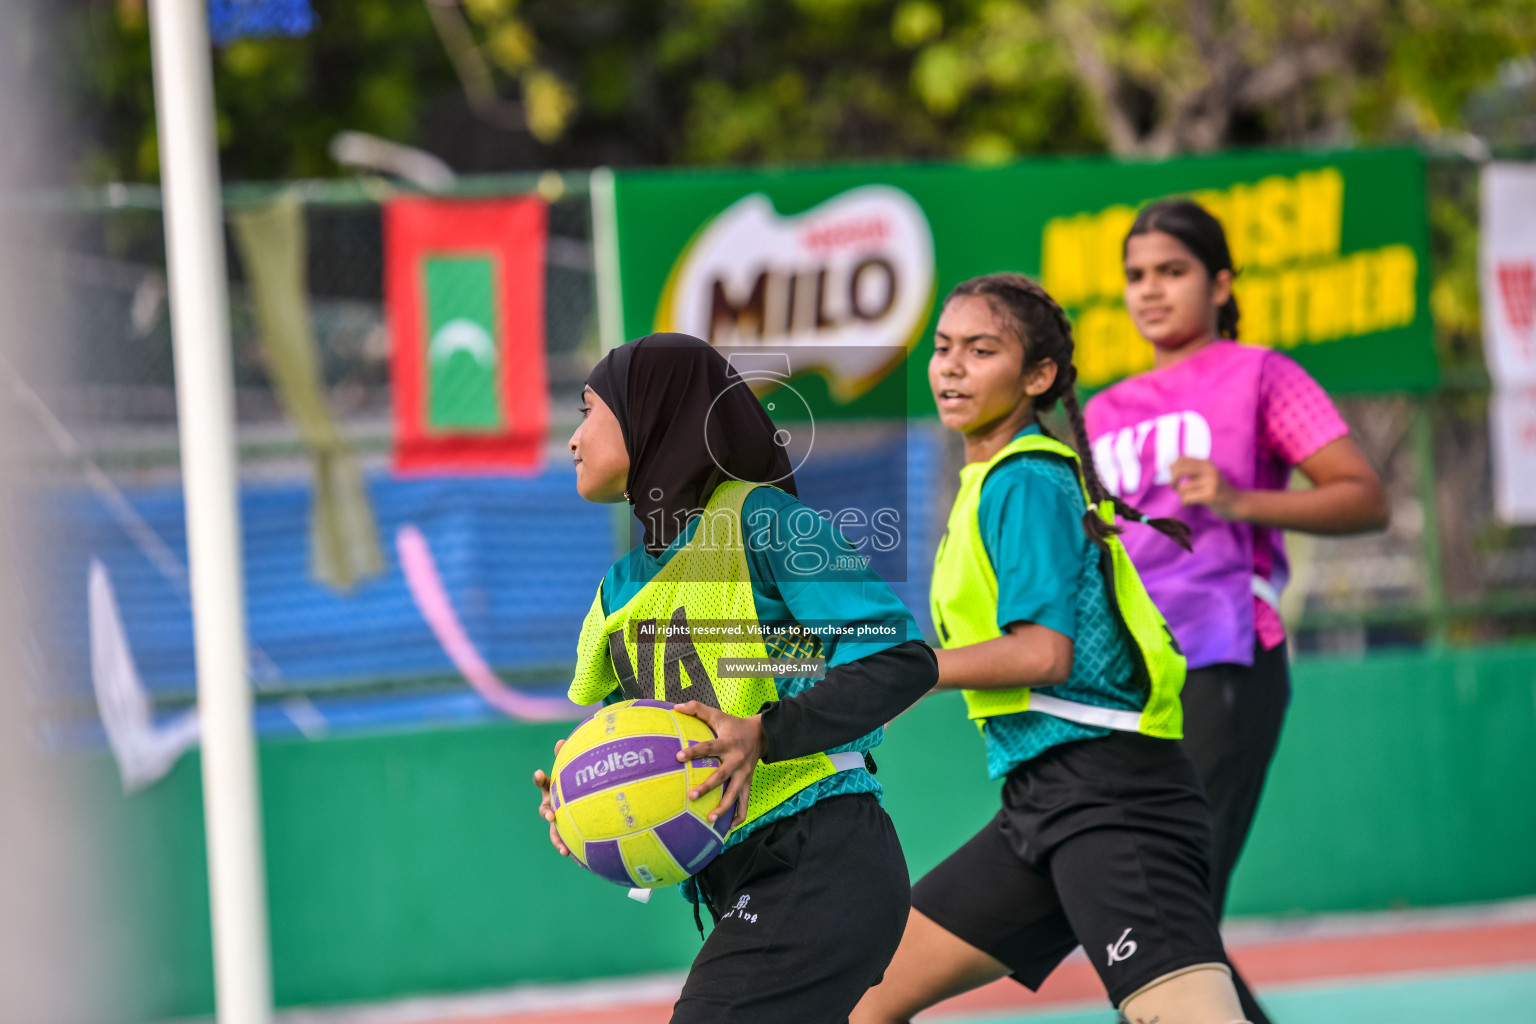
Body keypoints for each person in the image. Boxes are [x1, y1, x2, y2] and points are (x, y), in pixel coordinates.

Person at [854, 274, 1252, 1024]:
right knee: (860, 997)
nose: (952, 367)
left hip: (1114, 799)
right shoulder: (986, 482)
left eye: (981, 350)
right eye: (943, 349)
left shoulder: (1027, 479)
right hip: (1040, 802)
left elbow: (1043, 654)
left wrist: (906, 670)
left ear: (1037, 377)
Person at [532, 333, 938, 1024]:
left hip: (822, 852)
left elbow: (900, 659)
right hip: (736, 875)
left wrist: (765, 734)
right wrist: (580, 797)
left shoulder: (768, 521)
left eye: (587, 410)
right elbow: (638, 739)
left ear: (648, 413)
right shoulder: (615, 590)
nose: (572, 440)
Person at [1085, 198, 1390, 1024]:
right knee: (1158, 919)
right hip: (1128, 685)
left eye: (1173, 272)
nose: (1151, 291)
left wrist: (1238, 498)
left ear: (1220, 284)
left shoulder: (1261, 374)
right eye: (1136, 276)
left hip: (1226, 658)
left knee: (1172, 917)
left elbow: (1365, 499)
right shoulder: (1101, 412)